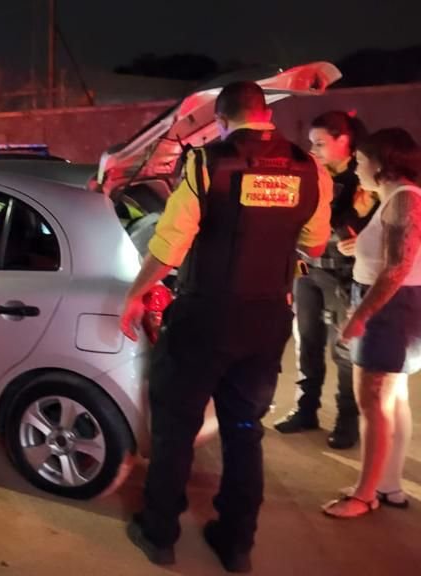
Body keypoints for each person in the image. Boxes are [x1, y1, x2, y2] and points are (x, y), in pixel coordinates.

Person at [119, 82, 331, 573]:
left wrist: (135, 295)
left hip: (204, 318)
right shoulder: (308, 166)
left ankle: (159, 534)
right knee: (243, 429)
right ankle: (236, 544)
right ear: (264, 115)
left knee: (176, 426)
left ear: (221, 118)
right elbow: (315, 245)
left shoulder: (205, 163)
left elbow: (170, 244)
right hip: (266, 320)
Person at [322, 128, 421, 517]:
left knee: (373, 401)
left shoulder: (403, 200)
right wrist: (358, 249)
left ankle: (364, 496)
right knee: (392, 398)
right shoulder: (398, 198)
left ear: (380, 163)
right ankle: (388, 484)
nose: (357, 169)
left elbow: (397, 269)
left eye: (361, 161)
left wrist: (359, 317)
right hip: (397, 305)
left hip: (390, 309)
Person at [275, 111, 378, 449]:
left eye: (320, 143)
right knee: (306, 341)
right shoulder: (309, 171)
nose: (313, 149)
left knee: (344, 348)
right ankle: (305, 410)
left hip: (345, 275)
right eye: (312, 143)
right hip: (307, 269)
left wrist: (356, 233)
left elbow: (369, 226)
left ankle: (347, 420)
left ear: (344, 142)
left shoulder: (364, 176)